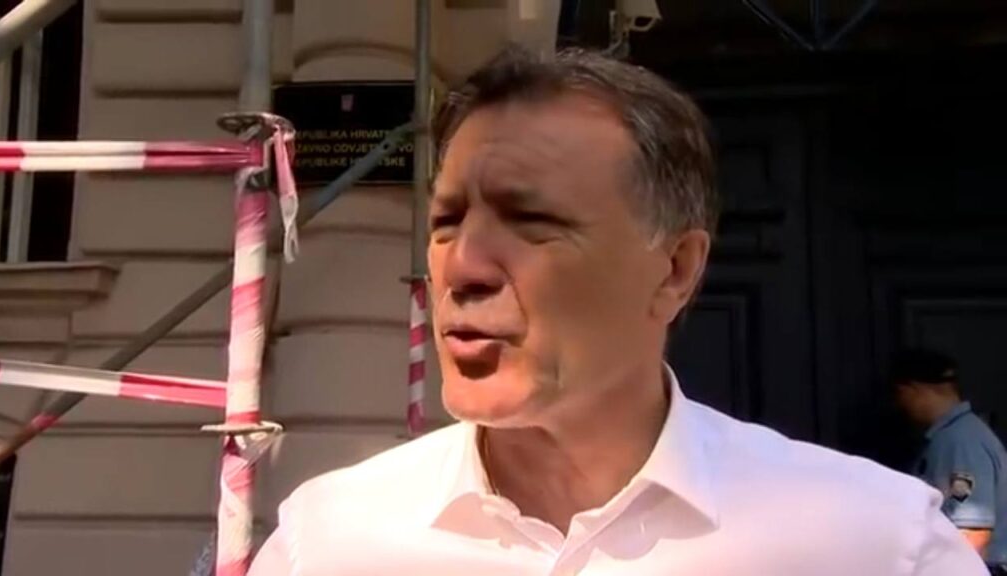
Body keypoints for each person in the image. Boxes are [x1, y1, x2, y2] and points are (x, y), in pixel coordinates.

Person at [249, 48, 984, 575]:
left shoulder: (877, 545)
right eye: (445, 222)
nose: (461, 268)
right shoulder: (329, 542)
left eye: (531, 221)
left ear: (675, 269)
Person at [893, 348, 1007, 574]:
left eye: (899, 394)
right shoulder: (955, 436)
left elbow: (973, 532)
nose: (899, 404)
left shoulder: (960, 441)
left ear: (912, 390)